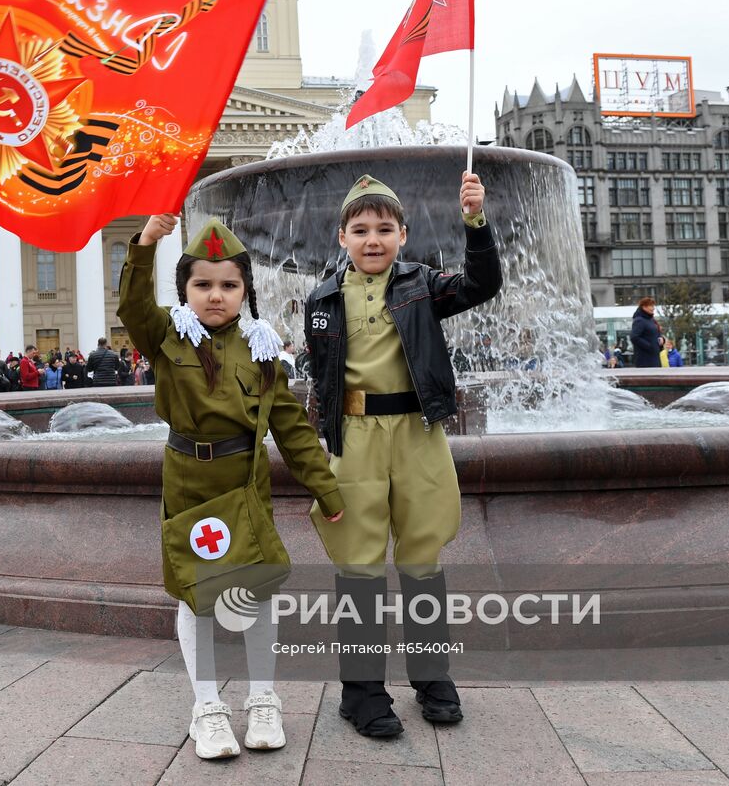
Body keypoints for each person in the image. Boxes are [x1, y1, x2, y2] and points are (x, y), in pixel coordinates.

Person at [122, 214, 343, 761]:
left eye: (228, 285)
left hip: (245, 482)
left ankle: (262, 700)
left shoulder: (263, 349)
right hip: (188, 481)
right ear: (184, 290)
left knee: (257, 590)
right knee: (195, 595)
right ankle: (207, 709)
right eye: (202, 285)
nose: (215, 296)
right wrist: (146, 243)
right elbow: (132, 307)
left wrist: (327, 491)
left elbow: (291, 427)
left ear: (245, 290)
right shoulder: (166, 335)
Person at [305, 172, 501, 737]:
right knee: (359, 563)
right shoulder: (322, 299)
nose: (373, 239)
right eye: (360, 229)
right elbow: (320, 378)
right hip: (356, 438)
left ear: (403, 235)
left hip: (418, 432)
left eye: (385, 229)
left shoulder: (422, 284)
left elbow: (482, 286)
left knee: (422, 555)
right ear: (341, 237)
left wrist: (475, 222)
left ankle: (432, 677)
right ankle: (362, 692)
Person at [629, 297, 663, 368]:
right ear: (644, 307)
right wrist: (650, 346)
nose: (653, 308)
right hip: (645, 360)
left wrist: (662, 339)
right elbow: (634, 337)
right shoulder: (639, 320)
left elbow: (656, 334)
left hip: (654, 357)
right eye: (651, 306)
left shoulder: (651, 320)